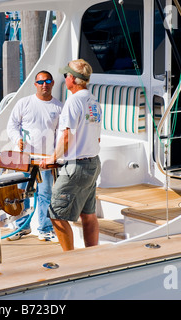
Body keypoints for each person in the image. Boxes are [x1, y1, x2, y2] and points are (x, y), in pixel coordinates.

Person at [40, 59, 102, 251]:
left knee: (56, 215)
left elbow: (67, 136)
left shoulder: (73, 101)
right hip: (93, 164)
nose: (64, 78)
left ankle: (70, 260)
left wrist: (52, 157)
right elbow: (96, 137)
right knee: (88, 214)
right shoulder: (93, 101)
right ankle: (92, 256)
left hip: (75, 167)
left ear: (73, 79)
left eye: (66, 75)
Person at [6, 70, 63, 241]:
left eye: (47, 81)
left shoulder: (59, 107)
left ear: (52, 83)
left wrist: (55, 156)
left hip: (45, 159)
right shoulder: (24, 103)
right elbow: (12, 126)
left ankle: (45, 229)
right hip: (23, 158)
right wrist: (18, 140)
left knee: (45, 193)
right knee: (21, 193)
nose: (44, 84)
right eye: (40, 82)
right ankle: (22, 227)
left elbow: (61, 135)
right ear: (35, 84)